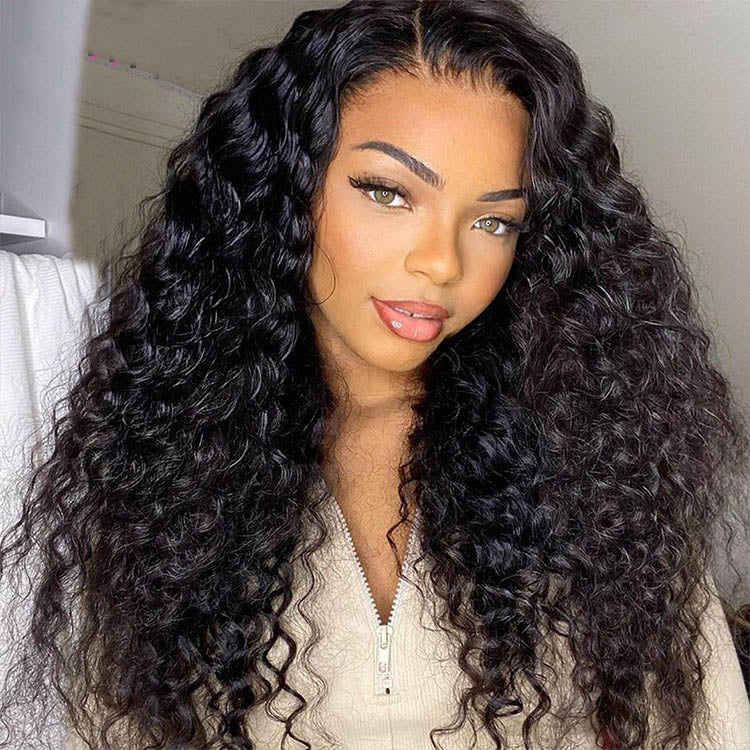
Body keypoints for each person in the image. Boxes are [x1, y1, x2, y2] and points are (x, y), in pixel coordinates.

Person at [1, 1, 749, 748]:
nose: (442, 262)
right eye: (389, 192)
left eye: (494, 220)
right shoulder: (165, 458)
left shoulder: (597, 450)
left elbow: (706, 727)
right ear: (285, 192)